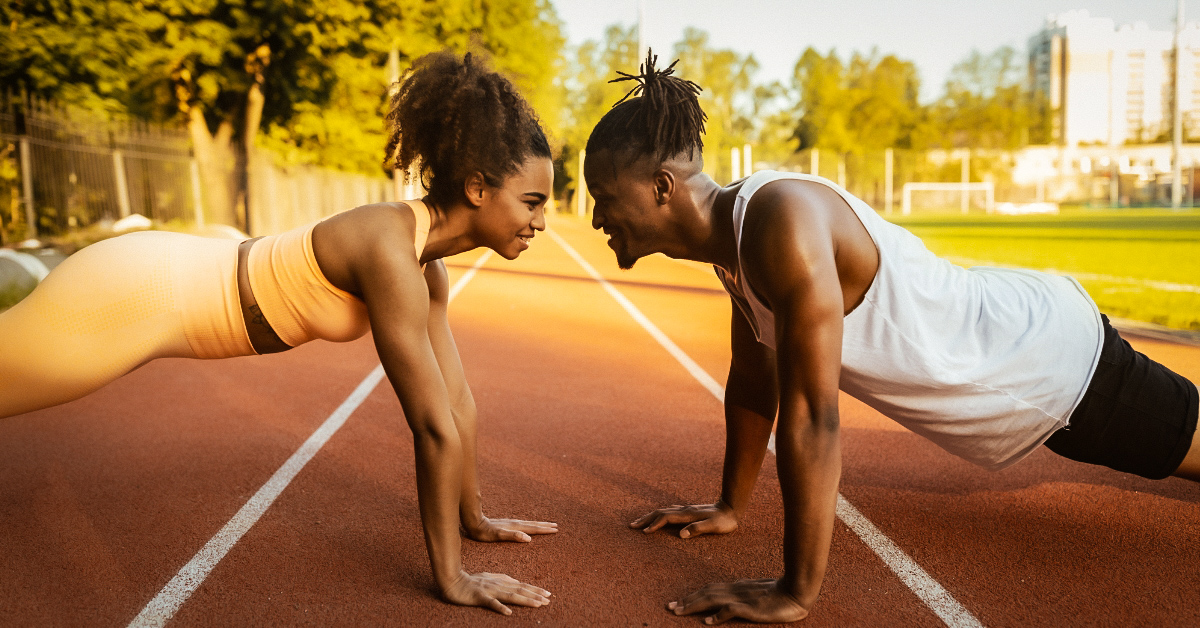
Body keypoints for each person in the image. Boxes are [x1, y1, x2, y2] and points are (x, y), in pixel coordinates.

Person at [583, 53, 1200, 625]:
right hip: (1032, 371)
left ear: (662, 187)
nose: (596, 218)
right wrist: (729, 506)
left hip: (1055, 365)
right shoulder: (736, 249)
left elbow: (813, 418)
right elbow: (754, 379)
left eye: (604, 198)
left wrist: (796, 590)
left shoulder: (779, 225)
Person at [0, 51, 556, 616]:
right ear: (478, 188)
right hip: (134, 294)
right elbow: (433, 427)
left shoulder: (424, 266)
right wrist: (453, 577)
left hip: (160, 293)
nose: (540, 221)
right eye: (531, 202)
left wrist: (474, 518)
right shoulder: (388, 250)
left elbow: (458, 403)